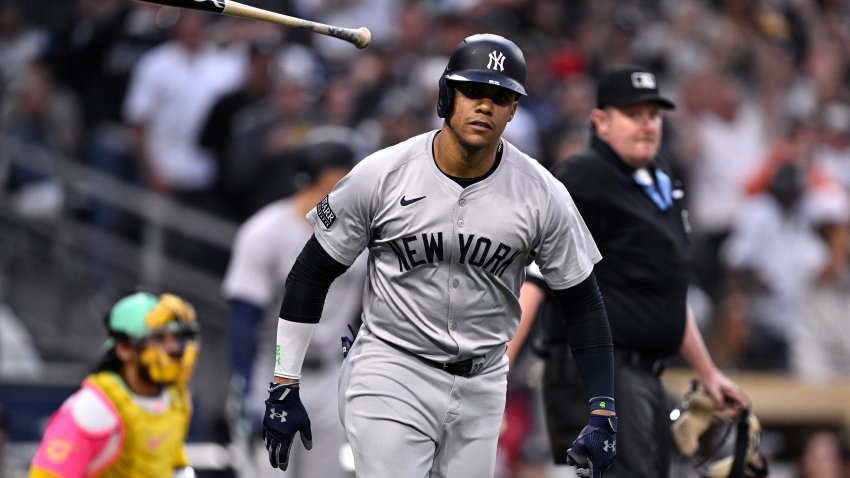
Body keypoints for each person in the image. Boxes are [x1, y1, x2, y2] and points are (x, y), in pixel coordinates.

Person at [260, 33, 618, 478]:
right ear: (446, 96)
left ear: (513, 110)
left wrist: (603, 407)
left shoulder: (543, 194)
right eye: (473, 91)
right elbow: (311, 272)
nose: (485, 106)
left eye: (500, 96)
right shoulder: (382, 173)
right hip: (392, 367)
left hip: (484, 380)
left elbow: (583, 300)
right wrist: (284, 380)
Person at [530, 65, 751, 477]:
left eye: (653, 114)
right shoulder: (583, 177)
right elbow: (537, 276)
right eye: (633, 114)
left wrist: (707, 372)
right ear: (601, 121)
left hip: (644, 375)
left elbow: (665, 292)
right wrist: (498, 362)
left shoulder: (659, 180)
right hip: (601, 374)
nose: (647, 124)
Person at [222, 137, 366, 478]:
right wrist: (244, 390)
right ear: (329, 178)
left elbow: (366, 311)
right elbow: (243, 316)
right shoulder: (266, 231)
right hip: (272, 373)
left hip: (331, 375)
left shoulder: (360, 234)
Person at [28, 291, 201, 478]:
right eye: (159, 339)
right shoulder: (94, 408)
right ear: (123, 349)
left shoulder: (177, 399)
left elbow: (175, 463)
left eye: (174, 338)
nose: (173, 348)